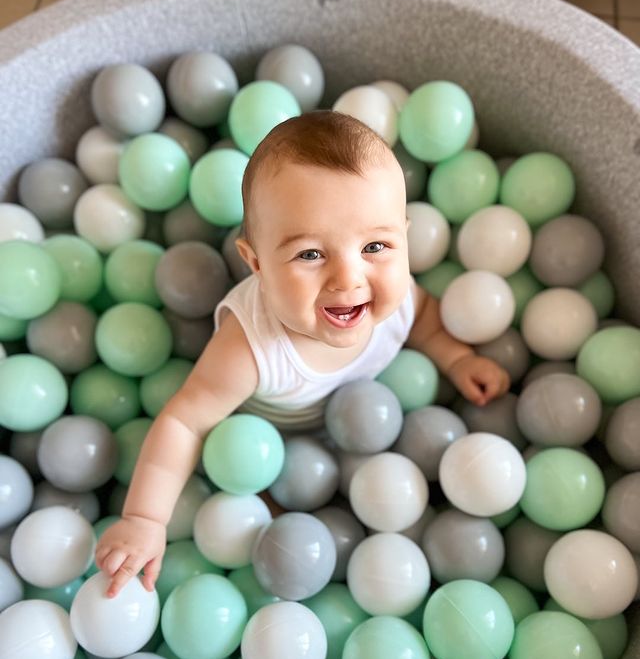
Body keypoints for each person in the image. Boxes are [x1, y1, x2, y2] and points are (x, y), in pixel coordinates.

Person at [96, 110, 510, 597]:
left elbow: (424, 320)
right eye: (311, 254)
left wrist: (457, 358)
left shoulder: (395, 299)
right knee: (261, 506)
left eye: (375, 245)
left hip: (358, 432)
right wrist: (144, 518)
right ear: (255, 265)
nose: (349, 279)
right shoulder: (248, 345)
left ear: (404, 236)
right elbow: (185, 422)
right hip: (269, 443)